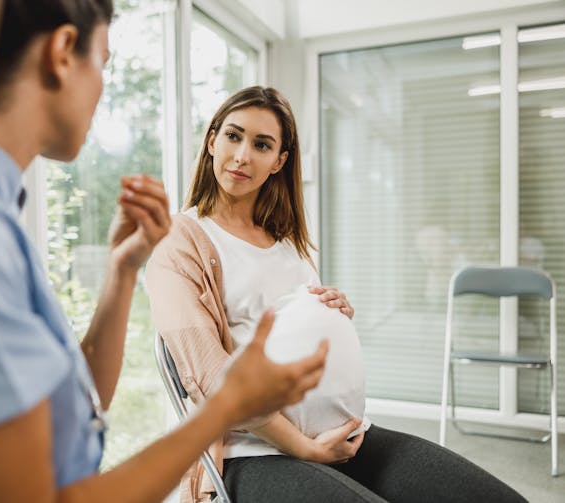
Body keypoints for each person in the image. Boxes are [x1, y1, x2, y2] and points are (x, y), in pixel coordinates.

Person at [0, 3, 331, 503]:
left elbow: (79, 406)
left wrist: (121, 271)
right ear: (62, 52)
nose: (102, 88)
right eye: (103, 62)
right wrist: (226, 406)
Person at [145, 86, 526, 503]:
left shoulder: (286, 238)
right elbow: (212, 378)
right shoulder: (179, 241)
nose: (242, 156)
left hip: (347, 435)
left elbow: (289, 324)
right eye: (233, 136)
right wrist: (304, 447)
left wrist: (330, 313)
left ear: (279, 161)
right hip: (252, 452)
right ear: (212, 140)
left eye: (262, 145)